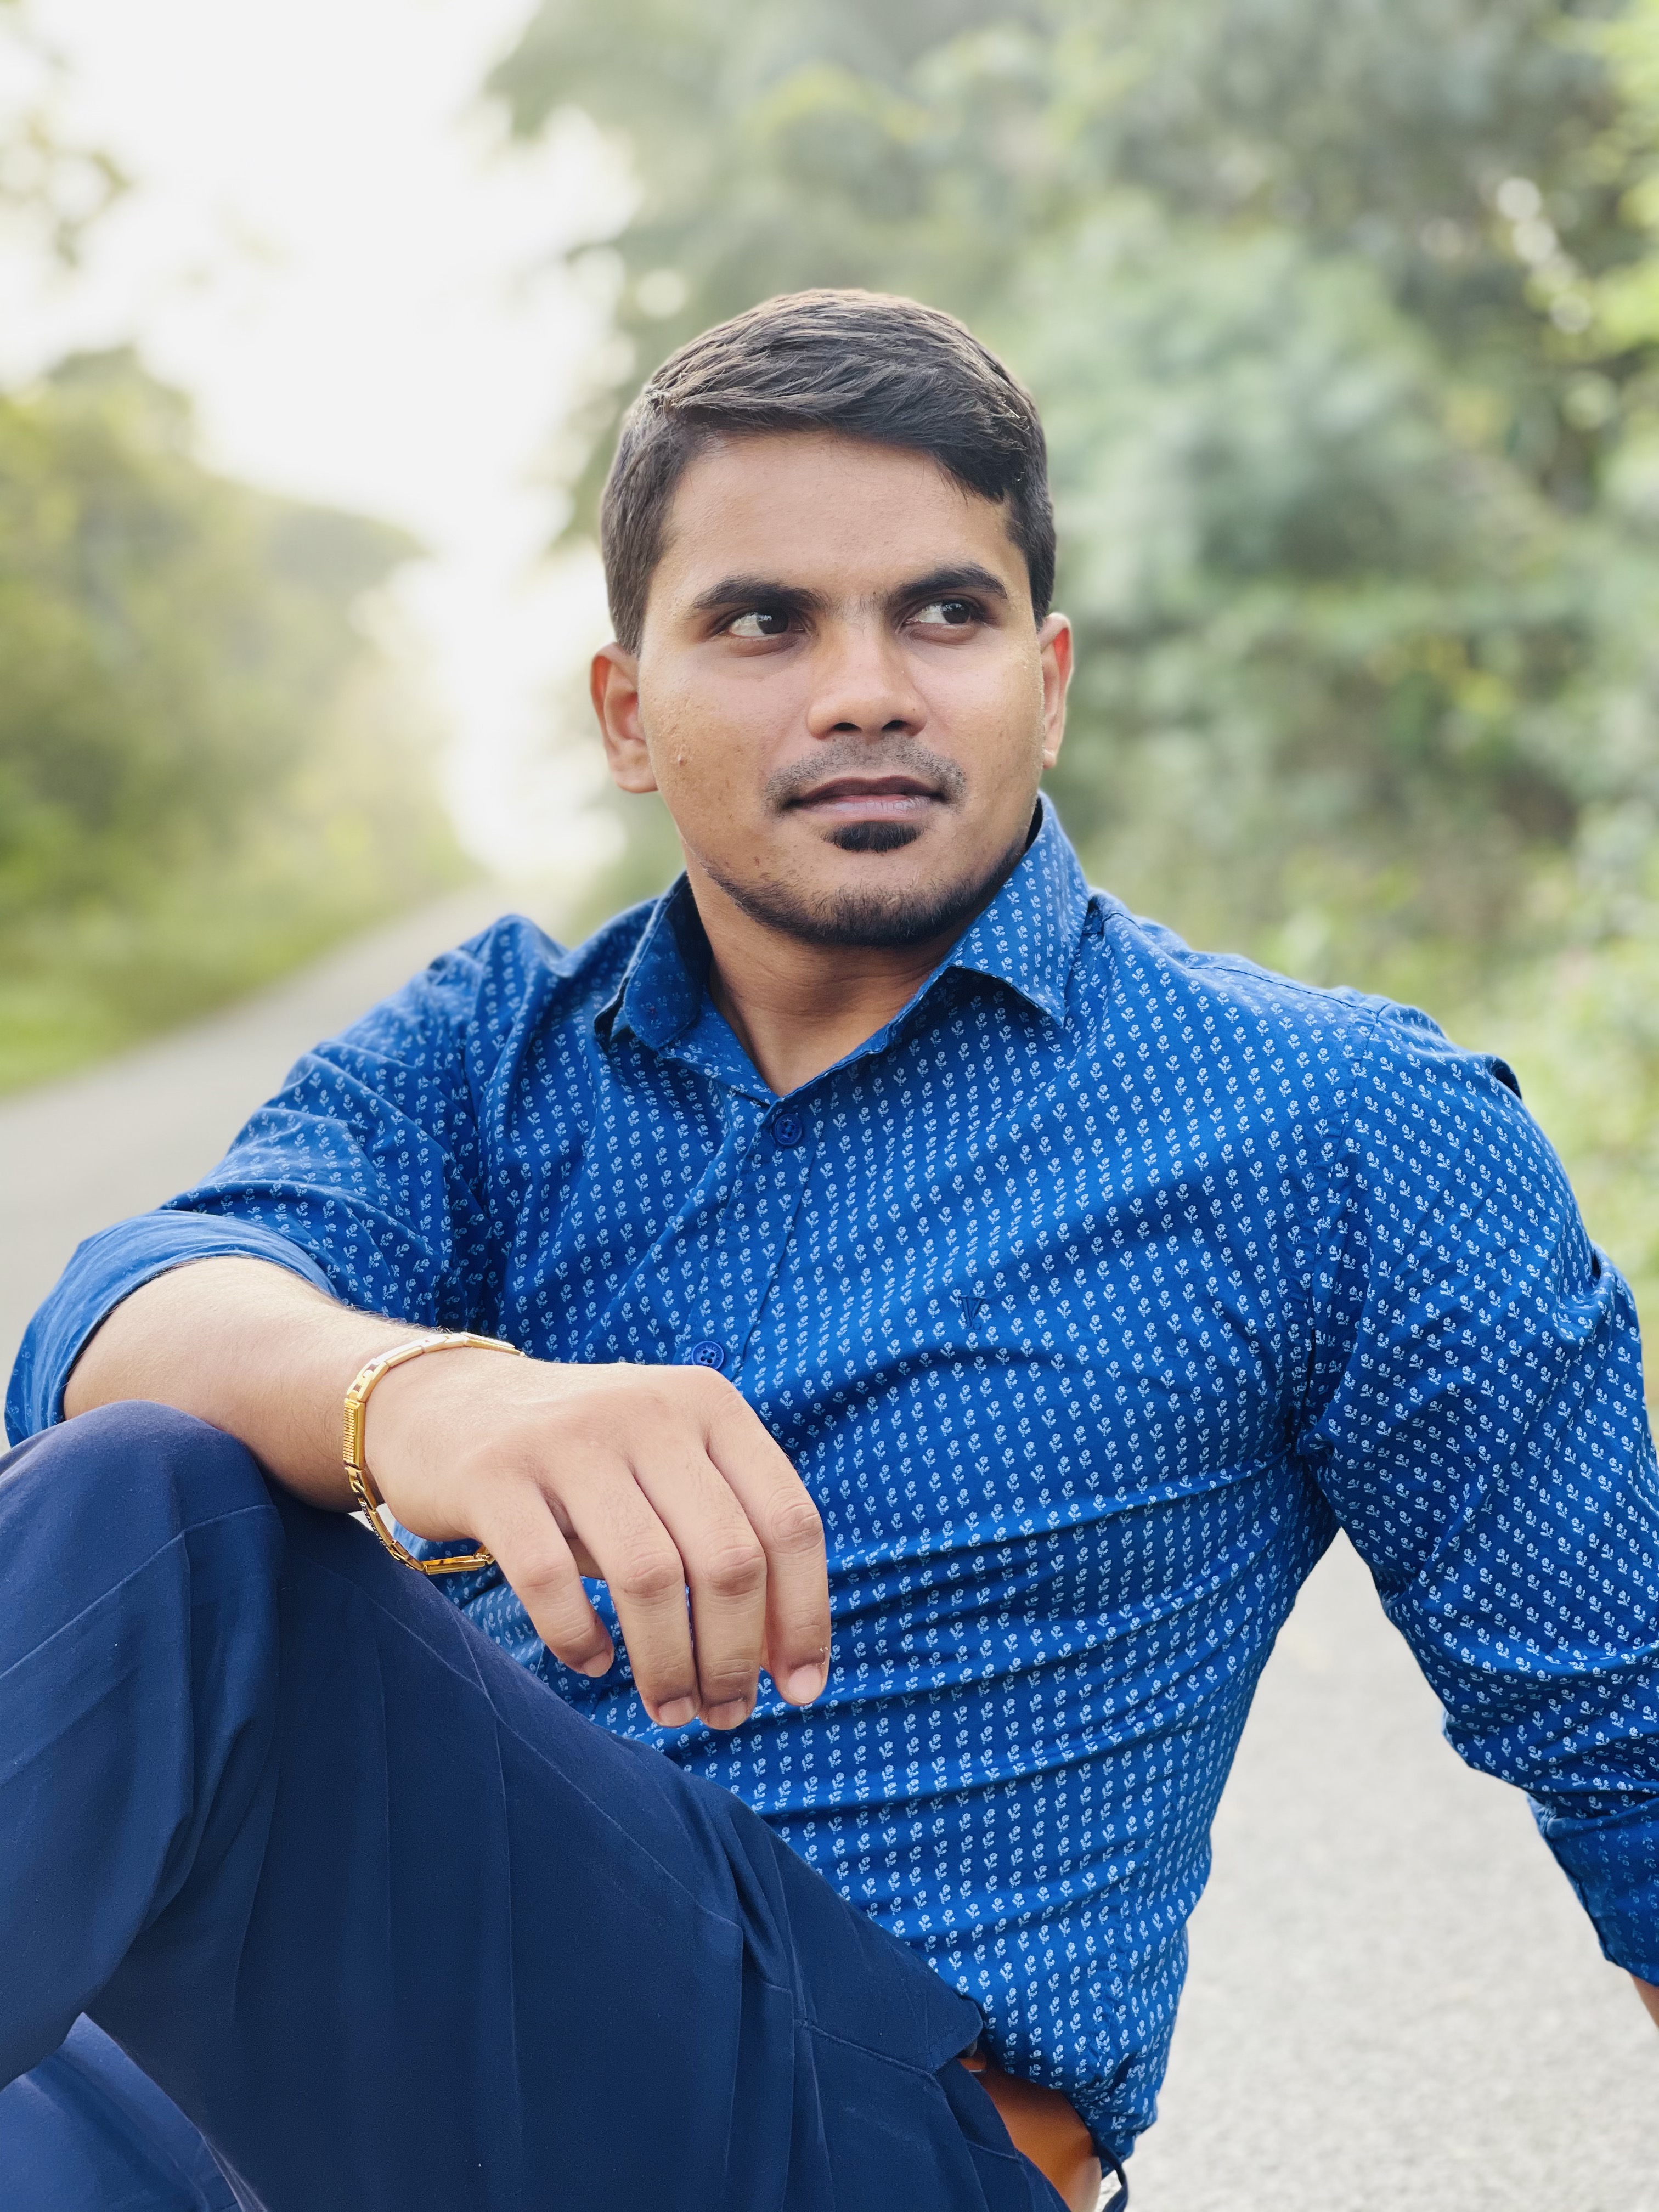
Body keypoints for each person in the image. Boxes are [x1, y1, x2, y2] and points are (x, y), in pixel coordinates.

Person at [2, 289, 1655, 2212]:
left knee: (168, 1517)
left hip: (854, 2138)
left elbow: (1635, 1749)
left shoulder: (1332, 1125)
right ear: (629, 712)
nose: (864, 691)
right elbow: (112, 1324)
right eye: (763, 622)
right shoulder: (489, 1060)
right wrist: (431, 1401)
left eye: (942, 614)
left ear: (1047, 681)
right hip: (368, 2107)